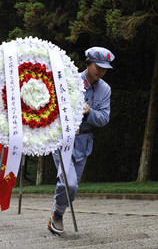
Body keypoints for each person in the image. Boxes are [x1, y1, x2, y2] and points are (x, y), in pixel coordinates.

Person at [48, 46, 114, 236]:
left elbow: (104, 118)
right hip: (63, 140)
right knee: (69, 184)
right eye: (98, 67)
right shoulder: (69, 81)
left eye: (104, 69)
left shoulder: (105, 89)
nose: (101, 72)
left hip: (84, 142)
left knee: (69, 184)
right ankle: (58, 213)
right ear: (88, 63)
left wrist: (89, 113)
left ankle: (55, 213)